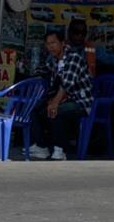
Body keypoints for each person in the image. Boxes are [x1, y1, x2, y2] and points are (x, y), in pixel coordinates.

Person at [31, 27, 93, 160]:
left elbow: (67, 84)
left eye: (53, 43)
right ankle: (41, 147)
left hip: (80, 102)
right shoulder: (54, 59)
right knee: (35, 109)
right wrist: (37, 74)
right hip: (65, 99)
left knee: (55, 110)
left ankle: (60, 150)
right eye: (48, 44)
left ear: (62, 43)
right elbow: (43, 68)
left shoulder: (74, 58)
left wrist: (54, 102)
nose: (50, 47)